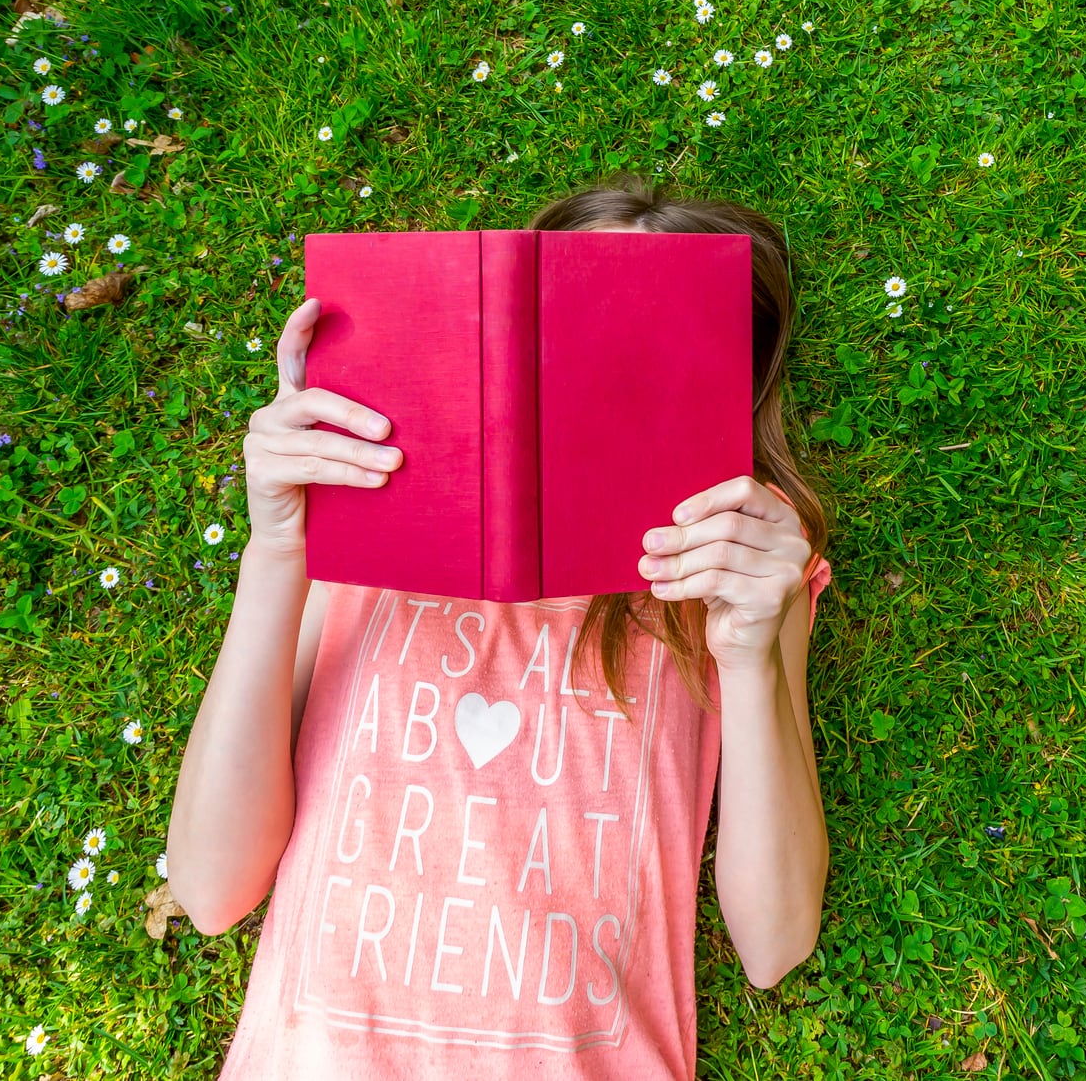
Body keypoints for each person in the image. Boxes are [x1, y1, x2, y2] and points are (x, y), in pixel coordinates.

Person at [166, 175, 832, 1079]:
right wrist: (277, 549)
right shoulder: (365, 540)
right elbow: (210, 890)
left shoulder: (736, 585)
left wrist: (749, 655)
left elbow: (774, 942)